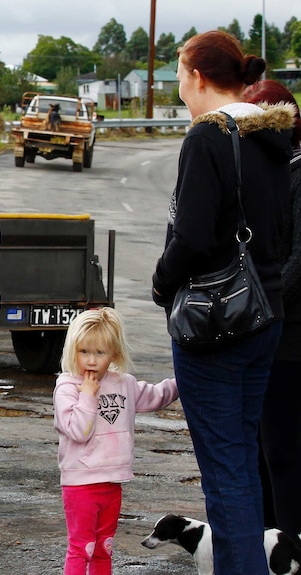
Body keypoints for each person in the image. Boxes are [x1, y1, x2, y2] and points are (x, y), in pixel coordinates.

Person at [151, 30, 294, 575]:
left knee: (225, 469)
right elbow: (276, 231)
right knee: (241, 462)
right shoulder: (273, 135)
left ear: (199, 77)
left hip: (215, 322)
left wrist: (162, 285)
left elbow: (190, 237)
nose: (180, 85)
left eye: (181, 74)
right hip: (265, 314)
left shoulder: (208, 138)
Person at [54, 307, 178, 575]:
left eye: (100, 352)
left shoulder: (124, 383)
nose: (91, 360)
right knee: (81, 548)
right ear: (72, 349)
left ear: (114, 354)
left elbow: (157, 396)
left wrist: (183, 381)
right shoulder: (67, 387)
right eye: (84, 351)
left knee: (103, 548)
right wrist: (88, 396)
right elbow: (78, 431)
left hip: (112, 482)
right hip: (80, 484)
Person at [241, 79, 301, 536]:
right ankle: (267, 538)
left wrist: (260, 302)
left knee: (281, 449)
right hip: (270, 325)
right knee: (262, 446)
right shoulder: (272, 170)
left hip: (289, 330)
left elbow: (297, 260)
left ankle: (289, 540)